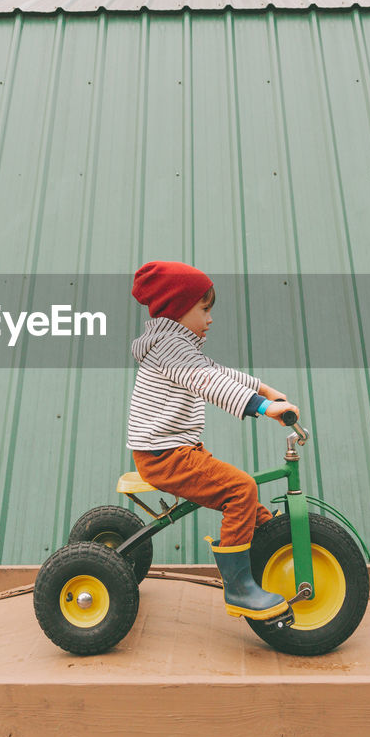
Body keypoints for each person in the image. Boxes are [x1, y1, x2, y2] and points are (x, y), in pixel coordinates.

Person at [126, 260, 300, 620]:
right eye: (204, 309)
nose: (210, 318)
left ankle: (268, 540)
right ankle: (239, 588)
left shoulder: (176, 345)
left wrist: (261, 387)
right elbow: (210, 384)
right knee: (240, 490)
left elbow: (216, 371)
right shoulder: (170, 348)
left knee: (244, 499)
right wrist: (263, 407)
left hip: (175, 449)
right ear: (177, 309)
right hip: (165, 455)